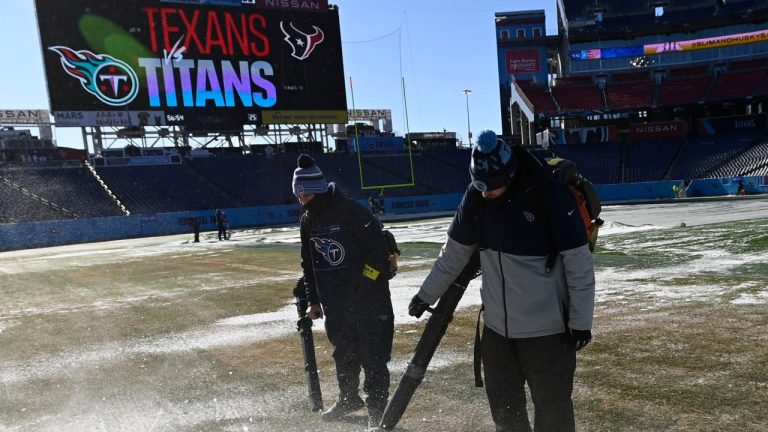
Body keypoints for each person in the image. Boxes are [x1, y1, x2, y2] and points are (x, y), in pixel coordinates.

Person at [408, 130, 595, 432]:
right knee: (505, 413)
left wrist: (581, 320)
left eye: (492, 188)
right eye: (479, 186)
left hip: (546, 331)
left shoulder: (548, 193)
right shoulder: (477, 197)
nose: (485, 194)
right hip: (497, 331)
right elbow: (453, 254)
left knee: (553, 412)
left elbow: (578, 261)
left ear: (509, 174)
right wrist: (425, 295)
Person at [293, 154, 394, 431]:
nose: (301, 200)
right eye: (298, 196)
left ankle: (377, 411)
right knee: (344, 354)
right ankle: (349, 399)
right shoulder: (308, 220)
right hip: (336, 304)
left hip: (370, 301)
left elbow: (378, 255)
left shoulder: (352, 212)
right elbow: (308, 263)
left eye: (304, 195)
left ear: (314, 190)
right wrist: (313, 299)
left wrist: (362, 288)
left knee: (373, 357)